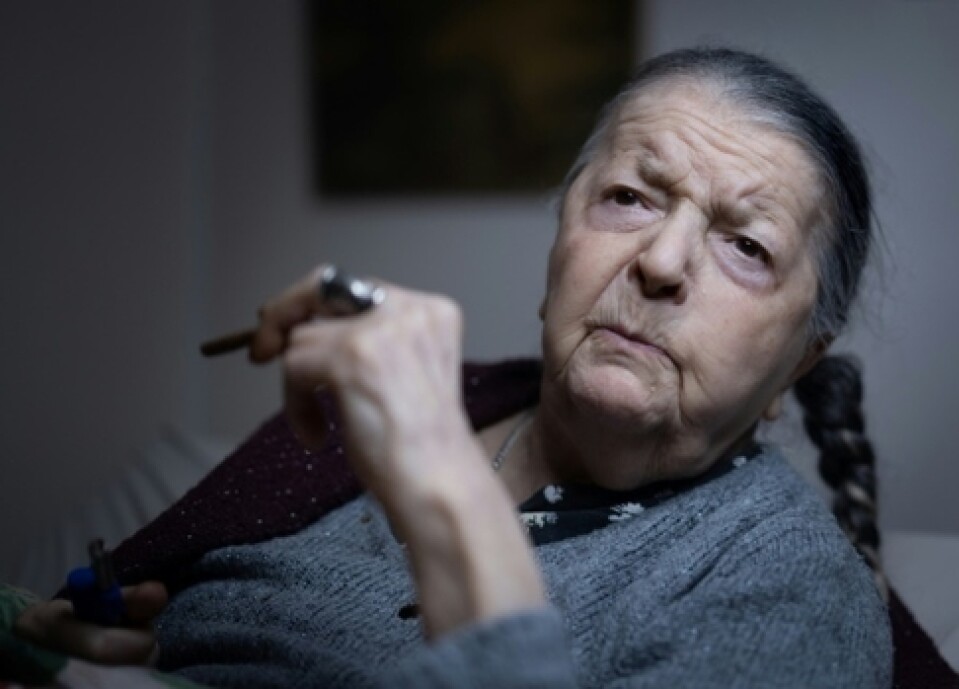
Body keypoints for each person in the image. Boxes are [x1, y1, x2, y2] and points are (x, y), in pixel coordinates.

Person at [14, 47, 893, 687]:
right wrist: (116, 651)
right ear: (561, 241)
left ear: (796, 365)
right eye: (628, 196)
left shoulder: (795, 586)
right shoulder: (366, 425)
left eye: (746, 244)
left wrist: (436, 476)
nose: (660, 261)